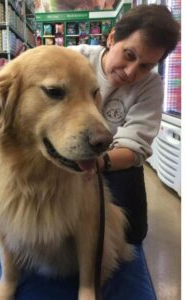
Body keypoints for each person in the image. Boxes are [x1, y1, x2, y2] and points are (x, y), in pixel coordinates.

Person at [69, 4, 180, 244]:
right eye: (129, 55)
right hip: (65, 149)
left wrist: (96, 164)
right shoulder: (73, 58)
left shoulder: (151, 87)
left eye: (145, 66)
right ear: (111, 38)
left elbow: (133, 148)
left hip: (110, 159)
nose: (131, 72)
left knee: (132, 233)